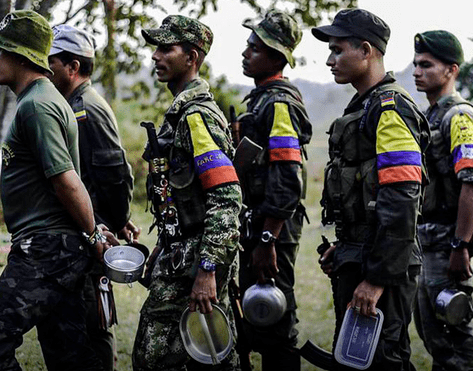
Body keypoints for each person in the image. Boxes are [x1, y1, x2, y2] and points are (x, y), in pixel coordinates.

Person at [313, 9, 428, 370]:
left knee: (379, 361)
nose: (330, 60)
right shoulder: (364, 106)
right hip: (361, 253)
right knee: (354, 358)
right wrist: (344, 244)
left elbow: (402, 198)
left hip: (382, 265)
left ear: (366, 50)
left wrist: (377, 278)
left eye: (337, 50)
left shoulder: (389, 108)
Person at [0, 10, 108, 371]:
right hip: (54, 247)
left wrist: (93, 234)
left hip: (46, 250)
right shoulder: (40, 99)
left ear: (18, 55)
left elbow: (65, 179)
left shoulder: (37, 106)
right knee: (70, 356)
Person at [133, 15, 242, 371]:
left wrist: (208, 269)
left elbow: (226, 198)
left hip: (196, 261)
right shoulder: (180, 113)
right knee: (205, 353)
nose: (155, 56)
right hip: (182, 255)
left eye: (166, 48)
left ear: (192, 57)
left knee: (157, 356)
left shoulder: (196, 116)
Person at [47, 24, 138, 371]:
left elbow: (114, 173)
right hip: (89, 227)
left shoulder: (84, 108)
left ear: (72, 67)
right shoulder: (74, 103)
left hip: (92, 234)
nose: (44, 67)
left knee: (91, 324)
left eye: (51, 61)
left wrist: (109, 221)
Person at [235, 10, 311, 371]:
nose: (245, 53)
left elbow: (287, 174)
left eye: (255, 47)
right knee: (254, 315)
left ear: (277, 57)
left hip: (273, 228)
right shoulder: (262, 99)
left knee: (274, 317)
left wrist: (268, 239)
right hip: (260, 223)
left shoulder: (278, 103)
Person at [412, 30, 473, 371]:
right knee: (433, 333)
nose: (417, 71)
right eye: (415, 64)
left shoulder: (457, 117)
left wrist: (460, 245)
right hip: (426, 241)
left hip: (446, 244)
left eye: (427, 65)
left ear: (451, 71)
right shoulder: (429, 116)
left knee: (453, 336)